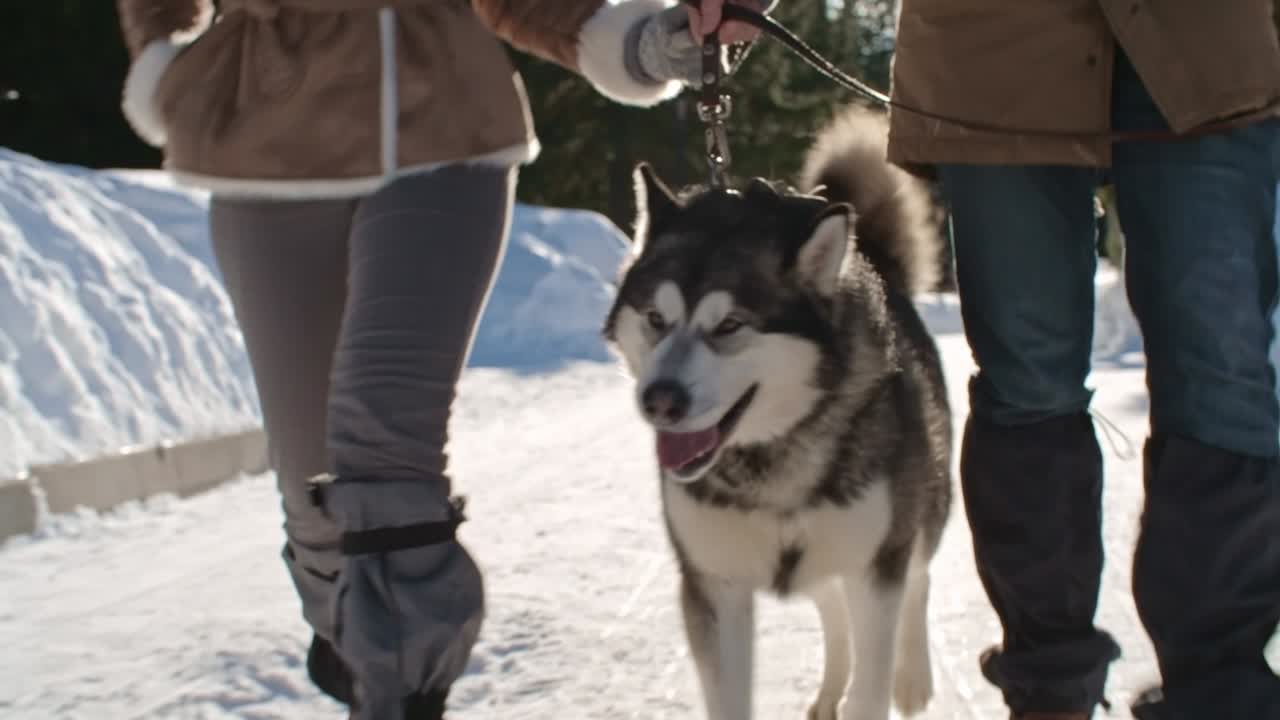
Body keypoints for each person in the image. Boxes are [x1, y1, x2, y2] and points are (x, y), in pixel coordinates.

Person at [112, 1, 755, 717]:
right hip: (265, 141)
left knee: (383, 451)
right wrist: (161, 58)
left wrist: (633, 43)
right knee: (312, 486)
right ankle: (360, 650)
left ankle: (402, 690)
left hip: (440, 127)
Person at [691, 1, 1280, 718]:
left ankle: (1222, 695)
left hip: (1211, 46)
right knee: (1028, 381)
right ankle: (1049, 692)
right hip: (995, 44)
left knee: (1221, 375)